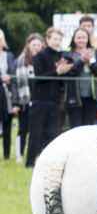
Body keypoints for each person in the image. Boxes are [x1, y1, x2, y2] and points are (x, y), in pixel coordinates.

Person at [28, 26, 74, 165]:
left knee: (51, 133)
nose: (57, 42)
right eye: (55, 39)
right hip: (40, 100)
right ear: (47, 39)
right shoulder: (40, 56)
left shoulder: (60, 56)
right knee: (36, 133)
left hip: (54, 101)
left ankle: (46, 162)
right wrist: (57, 72)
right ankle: (30, 162)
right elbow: (40, 76)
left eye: (59, 39)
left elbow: (60, 80)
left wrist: (62, 72)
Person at [66, 26, 97, 127]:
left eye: (83, 37)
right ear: (74, 39)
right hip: (74, 98)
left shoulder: (95, 52)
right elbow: (69, 72)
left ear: (88, 39)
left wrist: (90, 63)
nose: (81, 40)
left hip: (92, 97)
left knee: (88, 127)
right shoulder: (68, 53)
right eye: (78, 37)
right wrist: (81, 61)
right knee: (76, 128)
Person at [13, 33, 40, 162]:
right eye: (33, 45)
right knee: (22, 129)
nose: (36, 47)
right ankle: (19, 155)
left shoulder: (43, 60)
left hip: (38, 99)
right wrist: (15, 103)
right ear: (28, 45)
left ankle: (36, 154)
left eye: (38, 45)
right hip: (24, 100)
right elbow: (14, 83)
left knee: (35, 130)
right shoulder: (19, 61)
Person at [0, 29, 13, 160]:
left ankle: (7, 154)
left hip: (7, 93)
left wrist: (10, 78)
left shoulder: (9, 56)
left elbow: (13, 71)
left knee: (8, 123)